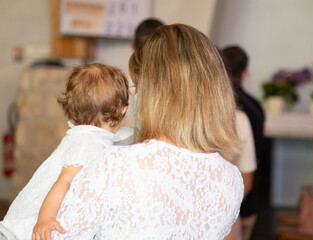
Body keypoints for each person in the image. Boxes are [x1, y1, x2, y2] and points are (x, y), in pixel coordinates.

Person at [47, 24, 244, 239]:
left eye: (137, 86)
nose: (135, 98)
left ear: (155, 94)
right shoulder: (230, 179)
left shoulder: (114, 165)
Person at [0, 63, 129, 240]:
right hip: (29, 223)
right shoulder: (88, 142)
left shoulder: (87, 135)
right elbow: (65, 180)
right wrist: (45, 219)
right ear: (122, 110)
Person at [222, 46, 265, 240]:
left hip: (226, 202)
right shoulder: (254, 107)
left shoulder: (233, 113)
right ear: (245, 73)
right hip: (243, 199)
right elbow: (256, 154)